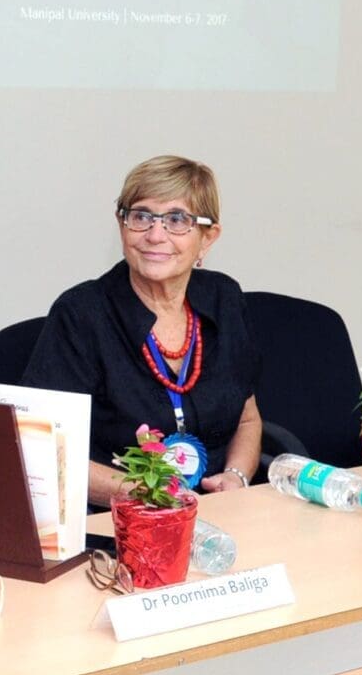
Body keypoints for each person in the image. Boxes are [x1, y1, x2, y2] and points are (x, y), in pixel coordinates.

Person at [21, 155, 265, 498]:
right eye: (141, 217)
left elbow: (248, 420)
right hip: (117, 517)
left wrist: (236, 477)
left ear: (207, 238)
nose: (155, 235)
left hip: (220, 509)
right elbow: (43, 450)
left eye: (177, 220)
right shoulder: (81, 315)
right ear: (122, 226)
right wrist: (148, 494)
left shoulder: (224, 298)